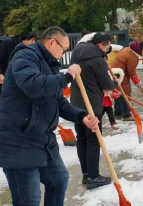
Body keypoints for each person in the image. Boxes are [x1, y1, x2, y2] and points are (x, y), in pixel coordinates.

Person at [0, 26, 99, 206]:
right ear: (52, 42)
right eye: (64, 48)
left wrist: (82, 117)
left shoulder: (49, 64)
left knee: (59, 180)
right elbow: (32, 85)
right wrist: (67, 76)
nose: (64, 53)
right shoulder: (25, 57)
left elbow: (59, 102)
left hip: (43, 140)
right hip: (19, 140)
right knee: (28, 200)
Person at [70, 33, 118, 190]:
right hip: (91, 104)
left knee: (82, 139)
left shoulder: (77, 53)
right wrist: (114, 83)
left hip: (76, 103)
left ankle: (86, 173)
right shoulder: (98, 60)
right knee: (93, 139)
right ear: (100, 45)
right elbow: (106, 83)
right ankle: (93, 176)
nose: (108, 48)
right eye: (107, 46)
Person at [111, 41, 143, 121]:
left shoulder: (129, 49)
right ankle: (126, 115)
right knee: (125, 94)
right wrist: (137, 81)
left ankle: (117, 113)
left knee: (119, 93)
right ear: (140, 49)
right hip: (120, 75)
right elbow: (131, 71)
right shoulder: (133, 56)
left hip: (116, 73)